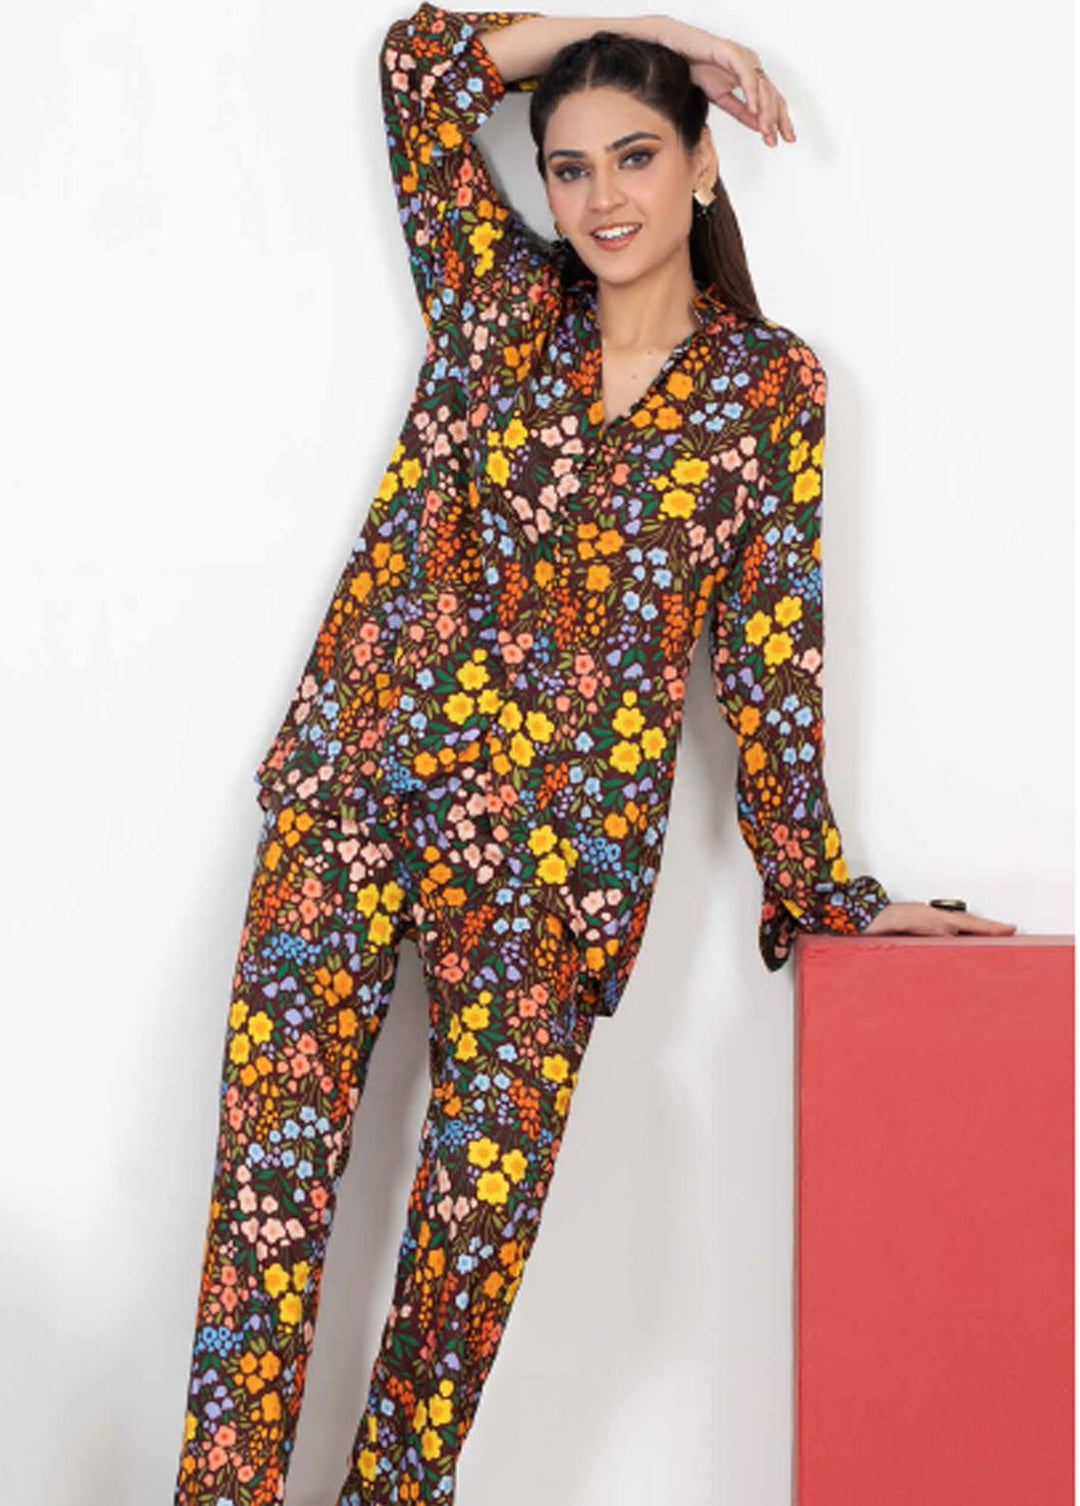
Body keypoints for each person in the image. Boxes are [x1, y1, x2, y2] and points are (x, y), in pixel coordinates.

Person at [172, 8, 1016, 1504]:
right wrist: (654, 29)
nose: (602, 196)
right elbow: (420, 66)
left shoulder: (769, 393)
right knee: (265, 1225)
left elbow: (772, 663)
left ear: (702, 166)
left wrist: (827, 886)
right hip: (357, 798)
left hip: (554, 873)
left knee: (461, 1280)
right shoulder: (496, 303)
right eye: (569, 168)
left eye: (635, 155)